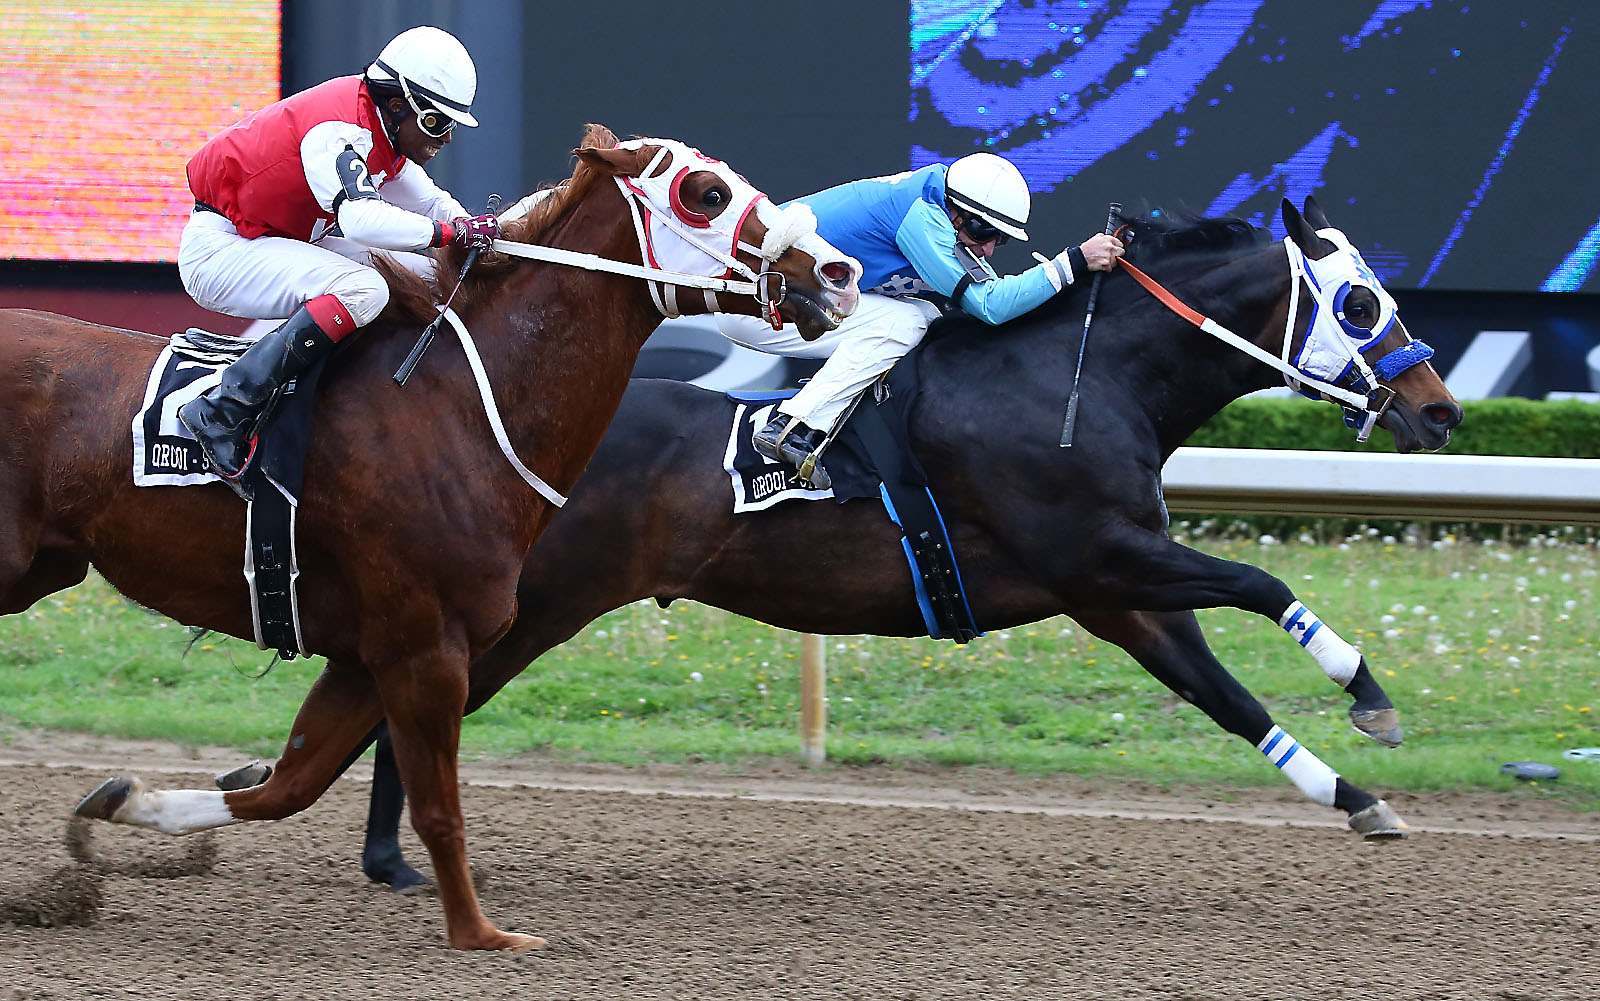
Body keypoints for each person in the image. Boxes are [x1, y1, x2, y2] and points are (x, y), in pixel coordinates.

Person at [176, 25, 502, 498]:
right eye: (437, 123)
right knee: (366, 288)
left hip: (270, 239)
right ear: (398, 104)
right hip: (222, 250)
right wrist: (451, 234)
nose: (447, 138)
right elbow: (361, 220)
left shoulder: (379, 129)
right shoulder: (339, 131)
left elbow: (434, 204)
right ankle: (224, 409)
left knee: (433, 276)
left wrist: (481, 232)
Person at [717, 153, 1124, 488]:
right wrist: (1074, 261)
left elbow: (996, 301)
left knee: (928, 316)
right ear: (956, 213)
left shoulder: (939, 204)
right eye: (984, 232)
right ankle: (793, 426)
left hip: (780, 296)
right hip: (756, 302)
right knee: (905, 322)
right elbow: (993, 306)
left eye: (999, 239)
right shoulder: (921, 219)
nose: (988, 248)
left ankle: (846, 414)